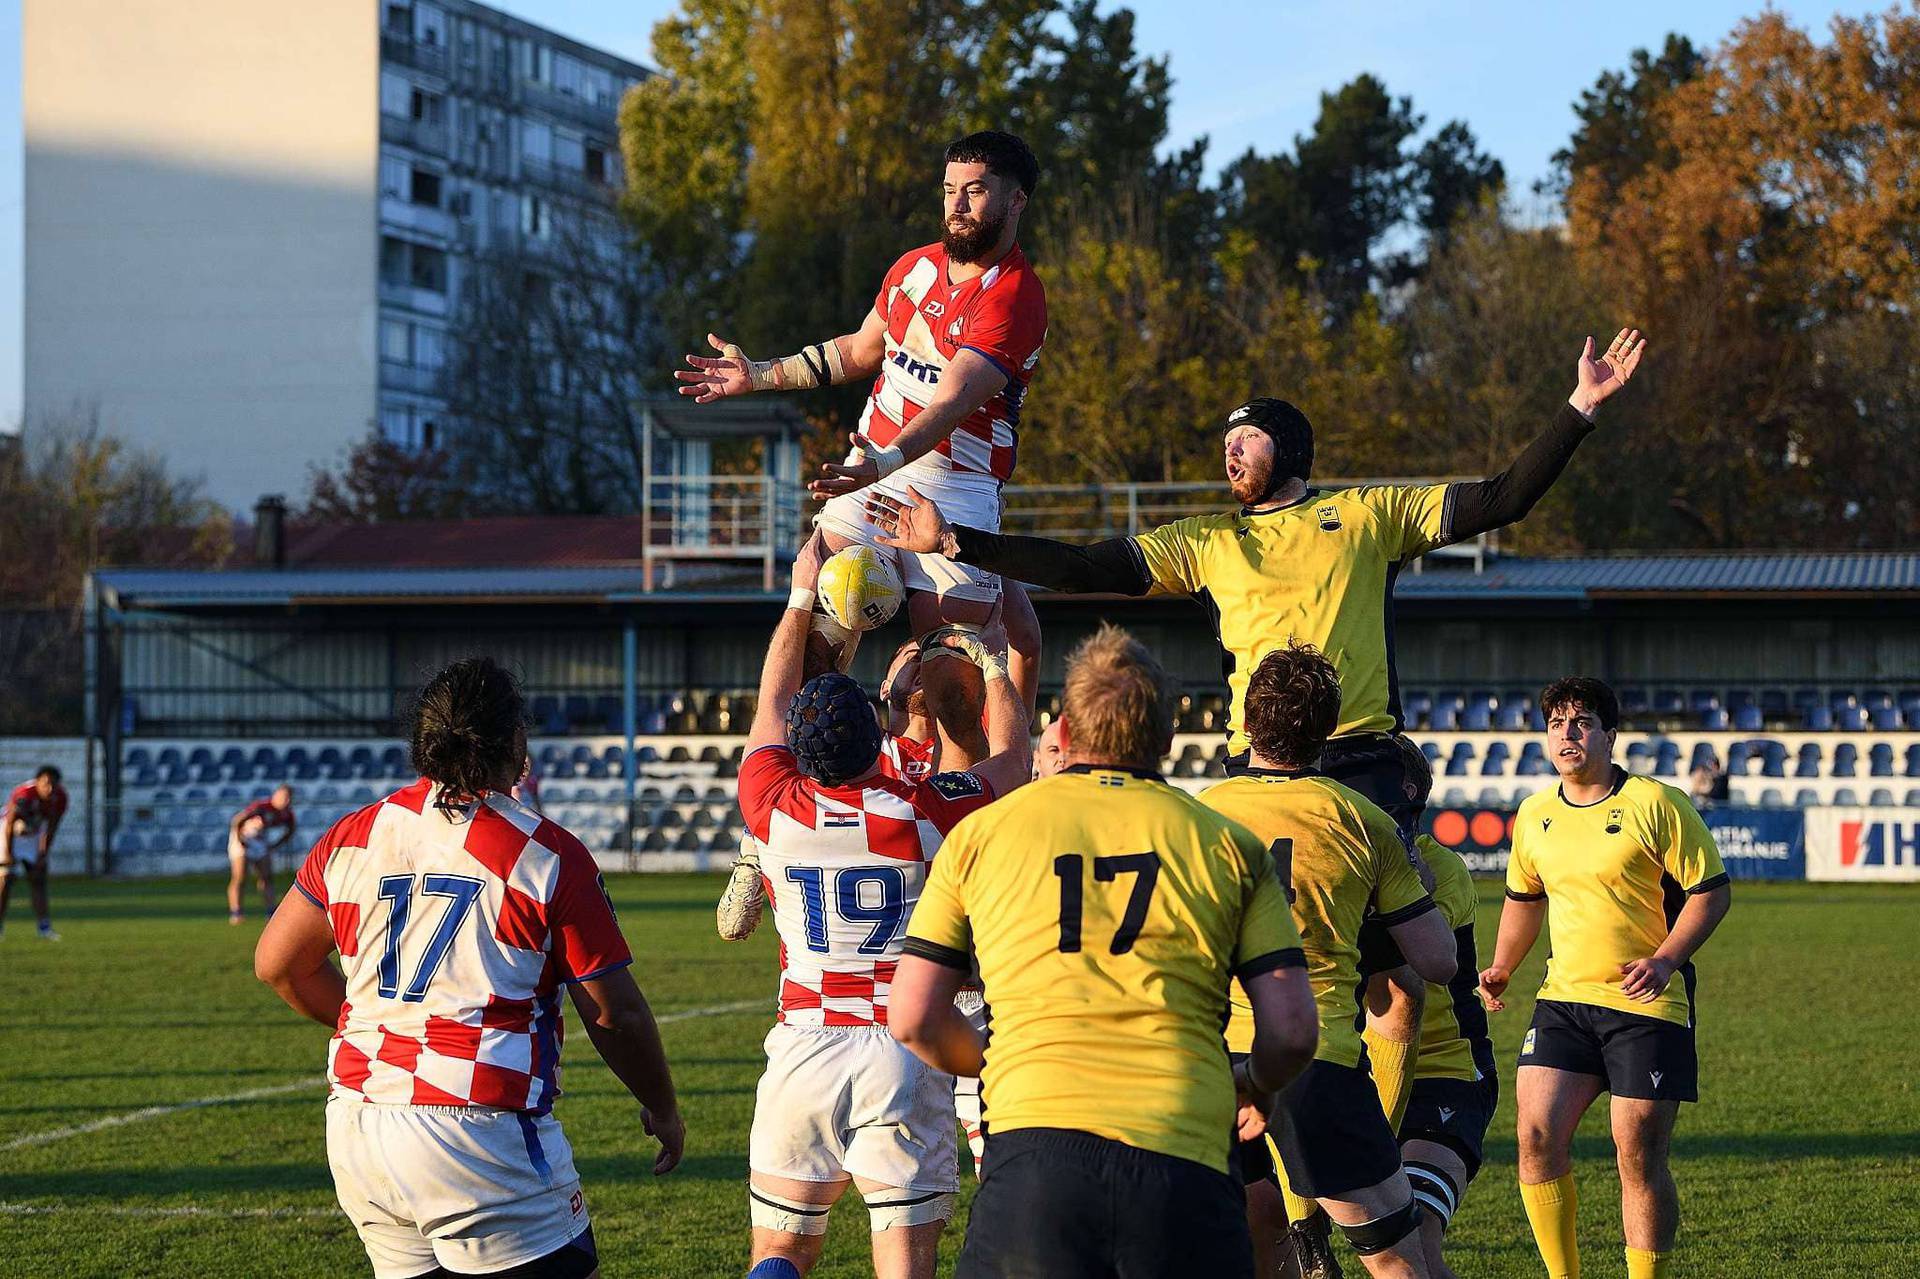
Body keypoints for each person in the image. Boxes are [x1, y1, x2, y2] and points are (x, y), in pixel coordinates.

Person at [868, 330, 1649, 817]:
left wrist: (1579, 407)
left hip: (1361, 757)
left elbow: (1506, 498)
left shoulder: (1370, 515)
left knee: (1398, 976)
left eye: (1248, 436)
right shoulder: (1208, 539)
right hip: (1257, 765)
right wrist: (961, 540)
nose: (1231, 449)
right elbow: (1084, 565)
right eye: (1227, 441)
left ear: (1291, 448)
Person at [890, 623, 1320, 1279]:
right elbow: (1291, 1029)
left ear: (1060, 733)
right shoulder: (1229, 846)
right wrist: (1253, 1083)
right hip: (1184, 1154)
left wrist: (1002, 1062)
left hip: (1034, 1156)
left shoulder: (984, 834)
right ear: (1167, 740)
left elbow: (915, 1015)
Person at [254, 657, 684, 1279]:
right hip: (478, 1132)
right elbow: (615, 1012)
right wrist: (663, 1107)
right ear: (516, 743)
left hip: (359, 1124)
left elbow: (278, 964)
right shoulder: (544, 853)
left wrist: (389, 1033)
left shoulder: (354, 834)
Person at [677, 130, 1048, 768]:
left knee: (950, 689)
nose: (957, 205)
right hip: (872, 475)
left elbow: (951, 404)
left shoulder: (1016, 296)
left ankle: (951, 843)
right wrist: (761, 374)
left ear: (1016, 202)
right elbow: (857, 350)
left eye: (976, 191)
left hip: (954, 487)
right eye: (950, 190)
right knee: (817, 647)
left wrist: (880, 462)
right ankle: (785, 822)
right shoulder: (912, 268)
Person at [734, 538, 1030, 1279]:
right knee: (904, 1261)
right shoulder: (922, 812)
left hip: (801, 1044)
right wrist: (990, 661)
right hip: (901, 1048)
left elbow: (772, 701)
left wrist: (804, 597)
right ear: (878, 734)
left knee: (779, 1257)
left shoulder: (771, 804)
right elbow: (1015, 761)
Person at [1201, 645, 1458, 1279]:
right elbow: (1439, 962)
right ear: (1330, 730)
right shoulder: (1360, 818)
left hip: (1204, 1061)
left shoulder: (1200, 811)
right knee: (1398, 1255)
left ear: (1249, 720)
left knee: (1256, 1246)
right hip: (1313, 1062)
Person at [1479, 677, 1732, 1279]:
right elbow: (1524, 898)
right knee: (1536, 1135)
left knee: (1637, 1154)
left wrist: (1666, 959)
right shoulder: (1534, 813)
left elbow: (1711, 894)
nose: (1567, 734)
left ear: (1609, 735)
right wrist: (1503, 967)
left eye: (1582, 721)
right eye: (1556, 723)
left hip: (1646, 1004)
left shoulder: (1658, 803)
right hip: (1564, 1000)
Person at [1355, 748, 1495, 1279]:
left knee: (1415, 1238)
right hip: (1362, 1073)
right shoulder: (1342, 859)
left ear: (1405, 793)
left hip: (1446, 1072)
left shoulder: (1443, 867)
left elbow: (1425, 959)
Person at [0, 765, 68, 941]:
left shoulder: (60, 798)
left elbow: (52, 827)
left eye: (54, 784)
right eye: (46, 784)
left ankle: (44, 928)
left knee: (38, 878)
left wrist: (42, 854)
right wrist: (7, 854)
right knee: (6, 881)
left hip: (34, 835)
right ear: (37, 782)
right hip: (9, 834)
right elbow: (10, 824)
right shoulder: (25, 794)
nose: (50, 788)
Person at [226, 784, 297, 924]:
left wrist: (275, 846)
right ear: (276, 796)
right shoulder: (262, 807)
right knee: (240, 876)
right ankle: (236, 912)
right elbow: (237, 820)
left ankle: (271, 912)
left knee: (266, 877)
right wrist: (241, 840)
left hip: (260, 841)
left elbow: (291, 830)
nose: (286, 801)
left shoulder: (287, 814)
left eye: (289, 798)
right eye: (284, 797)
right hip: (243, 838)